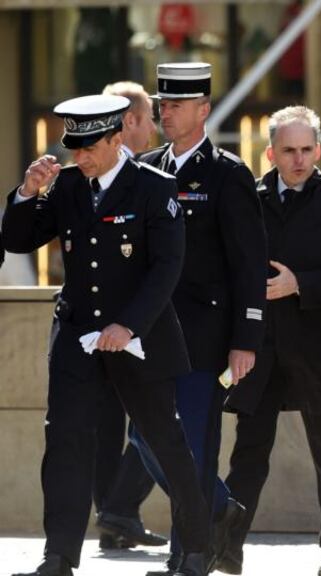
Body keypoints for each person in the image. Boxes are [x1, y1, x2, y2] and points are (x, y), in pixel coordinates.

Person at [4, 94, 211, 576]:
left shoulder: (154, 187)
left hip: (139, 338)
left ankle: (199, 546)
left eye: (90, 147)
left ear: (117, 139)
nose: (80, 157)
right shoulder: (67, 185)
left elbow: (167, 267)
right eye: (74, 148)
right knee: (66, 442)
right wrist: (27, 193)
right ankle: (58, 556)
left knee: (164, 441)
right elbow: (17, 239)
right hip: (77, 336)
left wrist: (128, 324)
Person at [134, 62, 267, 576]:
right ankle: (220, 508)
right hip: (149, 334)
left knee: (192, 443)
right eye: (162, 104)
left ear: (204, 110)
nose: (165, 113)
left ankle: (187, 555)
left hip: (202, 336)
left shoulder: (228, 173)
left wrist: (246, 338)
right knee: (145, 437)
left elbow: (249, 263)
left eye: (176, 105)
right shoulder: (145, 168)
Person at [221, 105, 321, 576]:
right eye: (289, 150)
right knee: (249, 451)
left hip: (317, 346)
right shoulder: (249, 198)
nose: (299, 159)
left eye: (306, 149)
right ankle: (228, 548)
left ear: (318, 151)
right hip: (260, 345)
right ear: (271, 154)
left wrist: (300, 283)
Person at [91, 79, 164, 552]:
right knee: (152, 420)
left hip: (130, 320)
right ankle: (116, 512)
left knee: (132, 422)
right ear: (131, 120)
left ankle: (116, 517)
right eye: (150, 118)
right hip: (123, 323)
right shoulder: (104, 177)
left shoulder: (149, 174)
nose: (154, 129)